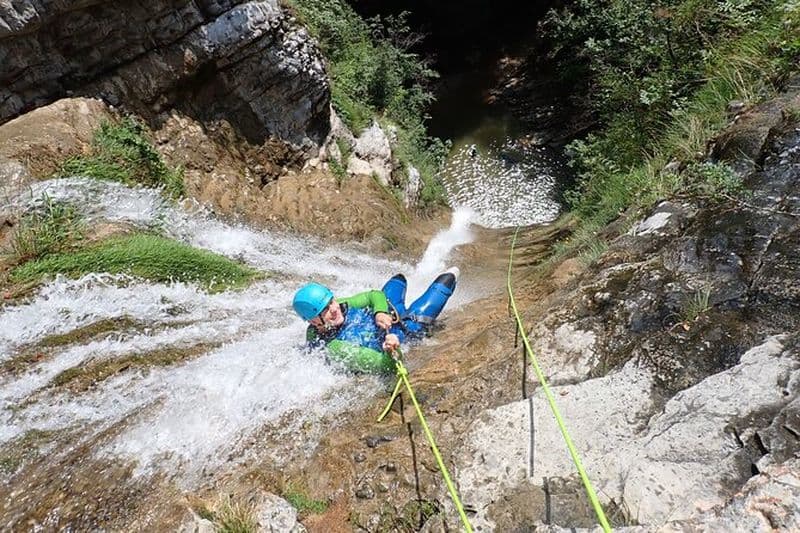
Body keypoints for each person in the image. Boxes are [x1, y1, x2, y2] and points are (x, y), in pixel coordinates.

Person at [292, 268, 459, 373]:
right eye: (325, 310)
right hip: (408, 329)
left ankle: (392, 308)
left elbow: (373, 295)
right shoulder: (337, 348)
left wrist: (379, 312)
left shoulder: (339, 307)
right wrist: (391, 351)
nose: (334, 309)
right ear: (313, 321)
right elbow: (385, 367)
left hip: (389, 314)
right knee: (447, 280)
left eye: (331, 301)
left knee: (398, 279)